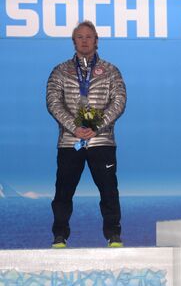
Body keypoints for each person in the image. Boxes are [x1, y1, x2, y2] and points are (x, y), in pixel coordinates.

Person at [46, 21, 127, 248]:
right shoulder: (60, 71)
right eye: (79, 37)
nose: (84, 40)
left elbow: (119, 101)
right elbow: (53, 102)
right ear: (73, 42)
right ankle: (59, 235)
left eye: (89, 37)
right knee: (63, 191)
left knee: (109, 190)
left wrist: (97, 126)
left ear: (96, 40)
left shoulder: (111, 71)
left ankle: (113, 235)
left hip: (102, 140)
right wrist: (74, 127)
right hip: (70, 141)